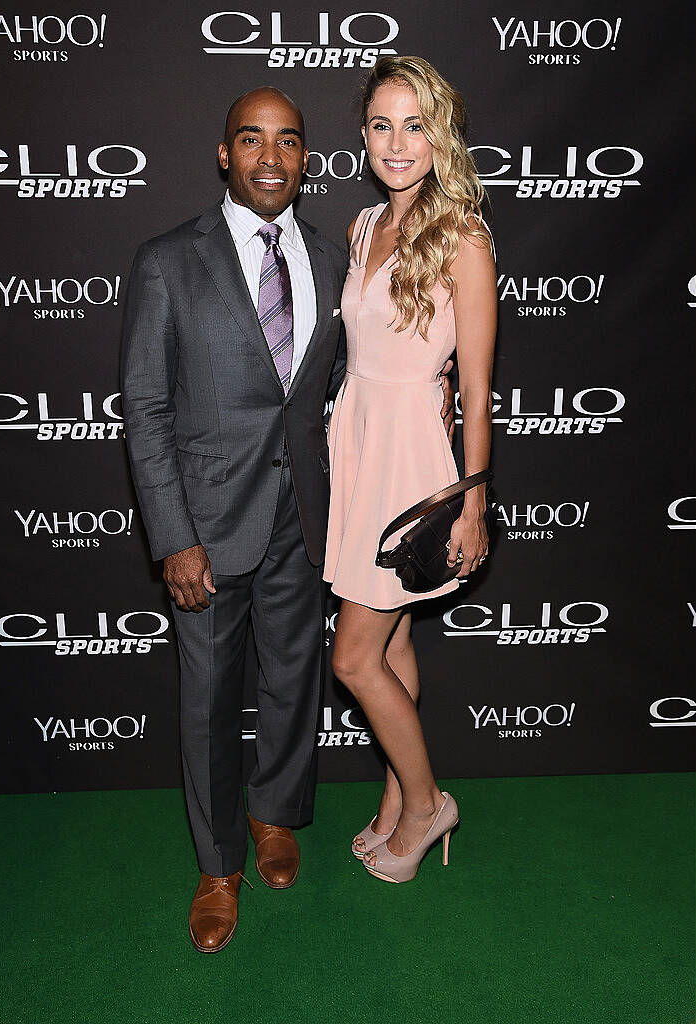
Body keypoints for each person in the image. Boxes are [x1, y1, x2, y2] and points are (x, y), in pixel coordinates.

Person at [120, 86, 455, 951]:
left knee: (292, 681)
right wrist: (173, 536)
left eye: (288, 142)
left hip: (311, 515)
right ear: (224, 154)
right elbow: (146, 409)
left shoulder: (328, 250)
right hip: (207, 524)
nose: (270, 157)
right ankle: (218, 865)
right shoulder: (167, 261)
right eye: (251, 140)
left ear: (308, 158)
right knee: (207, 700)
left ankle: (275, 813)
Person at [324, 56, 497, 884]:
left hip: (412, 463)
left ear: (439, 135)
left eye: (414, 124)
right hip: (357, 442)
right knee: (389, 644)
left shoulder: (462, 234)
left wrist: (470, 503)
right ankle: (397, 802)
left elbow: (473, 385)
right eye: (381, 124)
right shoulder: (362, 227)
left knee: (352, 658)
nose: (397, 142)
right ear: (362, 137)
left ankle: (428, 806)